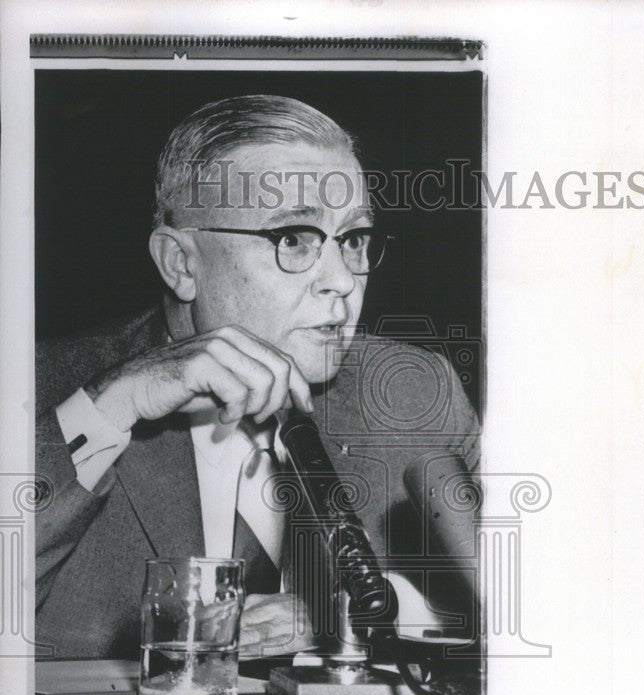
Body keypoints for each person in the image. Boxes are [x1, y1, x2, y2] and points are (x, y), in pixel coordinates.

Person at [36, 94, 479, 661]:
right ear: (181, 264)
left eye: (353, 239)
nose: (342, 280)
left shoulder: (418, 392)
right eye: (294, 237)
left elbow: (540, 607)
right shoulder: (43, 388)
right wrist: (111, 408)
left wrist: (359, 609)